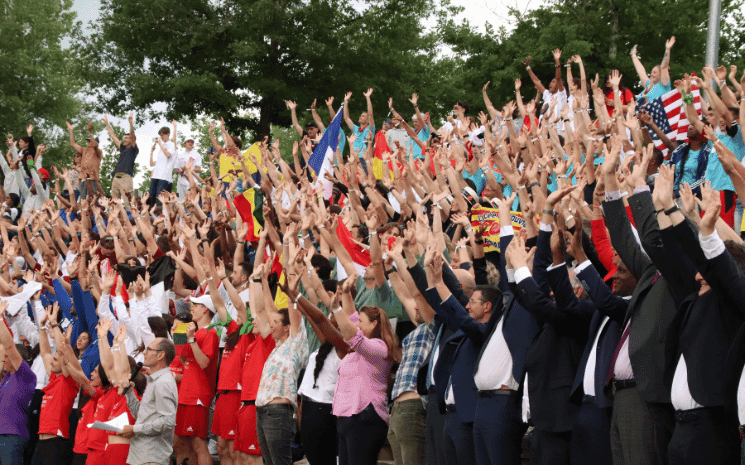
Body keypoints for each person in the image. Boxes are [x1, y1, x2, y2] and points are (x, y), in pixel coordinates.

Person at [333, 275, 400, 465]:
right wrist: (345, 293)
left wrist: (336, 309)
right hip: (348, 417)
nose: (357, 325)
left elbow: (354, 336)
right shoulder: (359, 349)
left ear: (374, 324)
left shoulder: (379, 347)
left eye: (362, 322)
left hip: (365, 417)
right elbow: (352, 317)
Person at [254, 244, 308, 465]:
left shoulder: (296, 342)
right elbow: (269, 310)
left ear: (288, 327)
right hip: (263, 410)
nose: (271, 325)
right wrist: (265, 281)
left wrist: (291, 279)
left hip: (279, 411)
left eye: (277, 323)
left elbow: (292, 310)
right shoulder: (278, 346)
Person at [117, 337, 178, 465]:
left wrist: (135, 429)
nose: (144, 353)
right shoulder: (154, 380)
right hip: (142, 455)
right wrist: (130, 393)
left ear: (160, 355)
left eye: (148, 349)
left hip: (152, 456)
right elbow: (142, 416)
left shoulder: (163, 383)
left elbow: (168, 421)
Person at [0, 301, 37, 465]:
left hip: (13, 436)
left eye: (6, 357)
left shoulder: (25, 375)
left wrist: (1, 319)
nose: (3, 360)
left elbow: (8, 345)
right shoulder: (6, 378)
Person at [104, 113, 139, 209]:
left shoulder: (133, 149)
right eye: (124, 137)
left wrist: (131, 123)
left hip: (126, 178)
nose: (124, 139)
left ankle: (132, 221)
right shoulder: (123, 148)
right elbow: (113, 136)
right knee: (114, 203)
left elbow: (132, 136)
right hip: (116, 177)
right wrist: (107, 123)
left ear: (132, 140)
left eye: (127, 138)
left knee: (128, 202)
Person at [631, 36, 675, 105]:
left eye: (654, 72)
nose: (651, 74)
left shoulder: (664, 85)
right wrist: (633, 56)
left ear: (661, 75)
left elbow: (663, 67)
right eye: (651, 72)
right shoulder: (649, 84)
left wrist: (667, 49)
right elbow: (641, 71)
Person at [65, 121, 103, 200]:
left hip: (92, 180)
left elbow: (95, 145)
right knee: (83, 202)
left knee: (92, 201)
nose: (88, 142)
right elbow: (72, 143)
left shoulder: (98, 152)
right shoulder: (84, 150)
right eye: (88, 140)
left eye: (90, 140)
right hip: (82, 181)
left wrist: (89, 132)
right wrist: (71, 130)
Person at [148, 124, 178, 207]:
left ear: (167, 134)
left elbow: (168, 155)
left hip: (164, 177)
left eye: (162, 135)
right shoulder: (161, 148)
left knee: (161, 200)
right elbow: (151, 164)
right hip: (156, 176)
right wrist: (152, 152)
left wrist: (160, 145)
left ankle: (163, 217)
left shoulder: (171, 145)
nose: (161, 137)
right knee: (151, 197)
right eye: (160, 136)